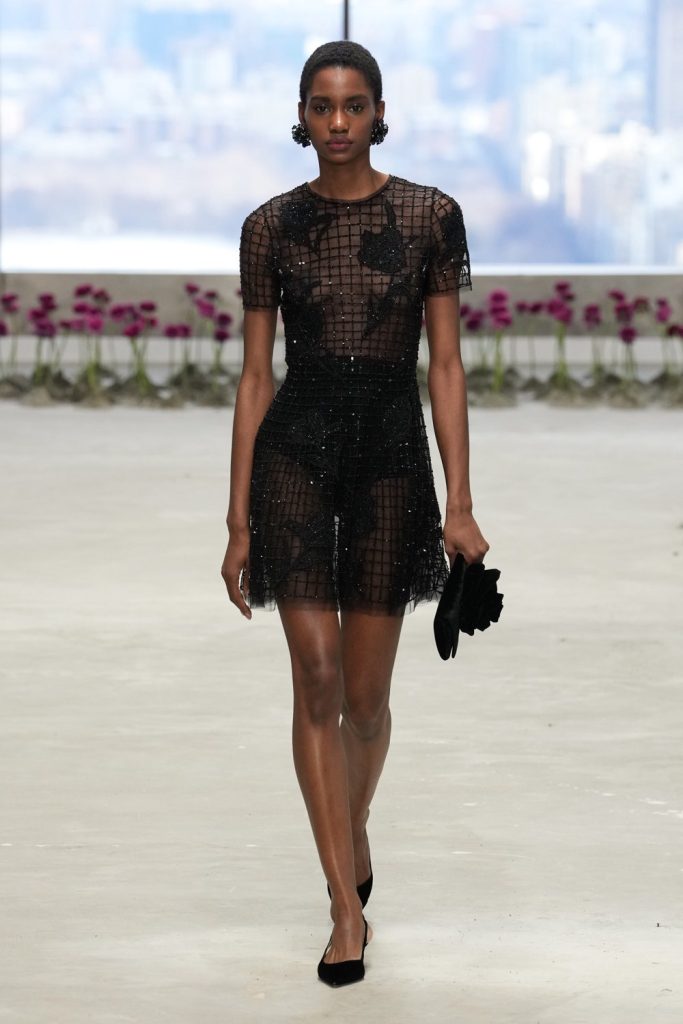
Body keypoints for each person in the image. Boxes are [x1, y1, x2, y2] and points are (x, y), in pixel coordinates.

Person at [221, 40, 489, 987]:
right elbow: (256, 376)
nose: (338, 122)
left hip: (388, 461)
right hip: (293, 455)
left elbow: (444, 366)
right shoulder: (269, 226)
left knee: (367, 704)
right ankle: (345, 906)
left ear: (379, 112)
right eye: (321, 106)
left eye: (353, 105)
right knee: (317, 679)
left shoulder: (428, 216)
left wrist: (460, 503)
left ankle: (352, 821)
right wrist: (237, 520)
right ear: (301, 116)